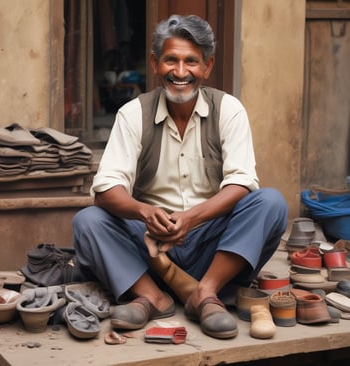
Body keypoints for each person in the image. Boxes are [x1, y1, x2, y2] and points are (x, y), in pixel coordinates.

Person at [72, 14, 288, 339]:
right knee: (88, 221)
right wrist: (145, 213)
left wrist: (190, 218)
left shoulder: (229, 110)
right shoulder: (133, 115)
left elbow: (241, 183)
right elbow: (105, 189)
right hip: (149, 248)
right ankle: (151, 296)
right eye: (171, 60)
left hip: (212, 249)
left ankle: (205, 293)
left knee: (271, 202)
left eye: (192, 61)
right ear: (156, 63)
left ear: (208, 66)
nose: (181, 72)